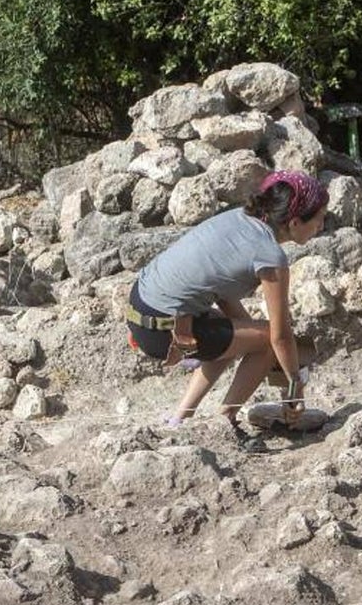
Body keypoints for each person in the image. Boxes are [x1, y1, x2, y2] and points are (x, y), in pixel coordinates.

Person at [125, 170, 329, 438]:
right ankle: (224, 421)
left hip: (141, 309)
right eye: (319, 219)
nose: (322, 227)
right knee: (268, 340)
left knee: (242, 336)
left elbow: (221, 291)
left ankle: (180, 418)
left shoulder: (238, 219)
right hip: (163, 330)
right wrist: (294, 387)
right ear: (293, 223)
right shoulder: (270, 256)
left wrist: (246, 333)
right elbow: (280, 337)